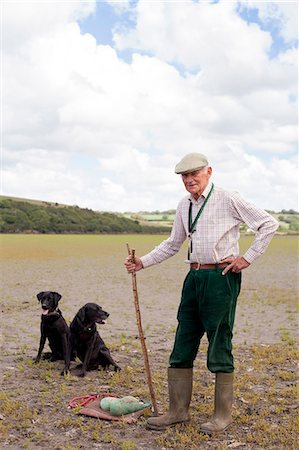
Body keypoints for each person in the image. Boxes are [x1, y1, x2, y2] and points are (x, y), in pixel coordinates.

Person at [124, 153, 278, 433]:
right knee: (183, 338)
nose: (189, 179)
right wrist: (141, 262)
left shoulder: (229, 198)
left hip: (222, 277)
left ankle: (222, 416)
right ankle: (177, 411)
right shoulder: (184, 205)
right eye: (184, 176)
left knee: (220, 339)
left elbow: (269, 224)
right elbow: (173, 244)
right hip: (193, 277)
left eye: (194, 173)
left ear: (209, 171)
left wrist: (246, 258)